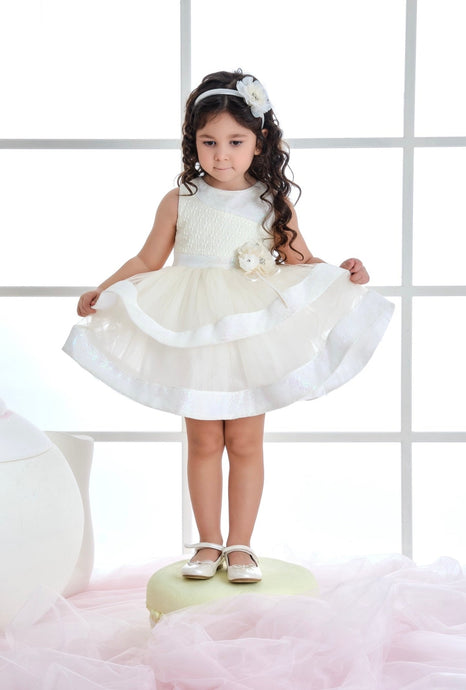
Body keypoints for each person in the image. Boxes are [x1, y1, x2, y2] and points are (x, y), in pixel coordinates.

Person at [64, 70, 394, 584]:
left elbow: (301, 261)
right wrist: (103, 290)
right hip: (194, 329)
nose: (221, 155)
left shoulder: (271, 202)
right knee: (201, 442)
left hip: (247, 335)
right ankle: (207, 542)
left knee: (243, 442)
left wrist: (343, 273)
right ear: (192, 142)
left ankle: (241, 545)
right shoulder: (180, 199)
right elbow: (148, 260)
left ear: (259, 142)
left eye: (235, 142)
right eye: (209, 142)